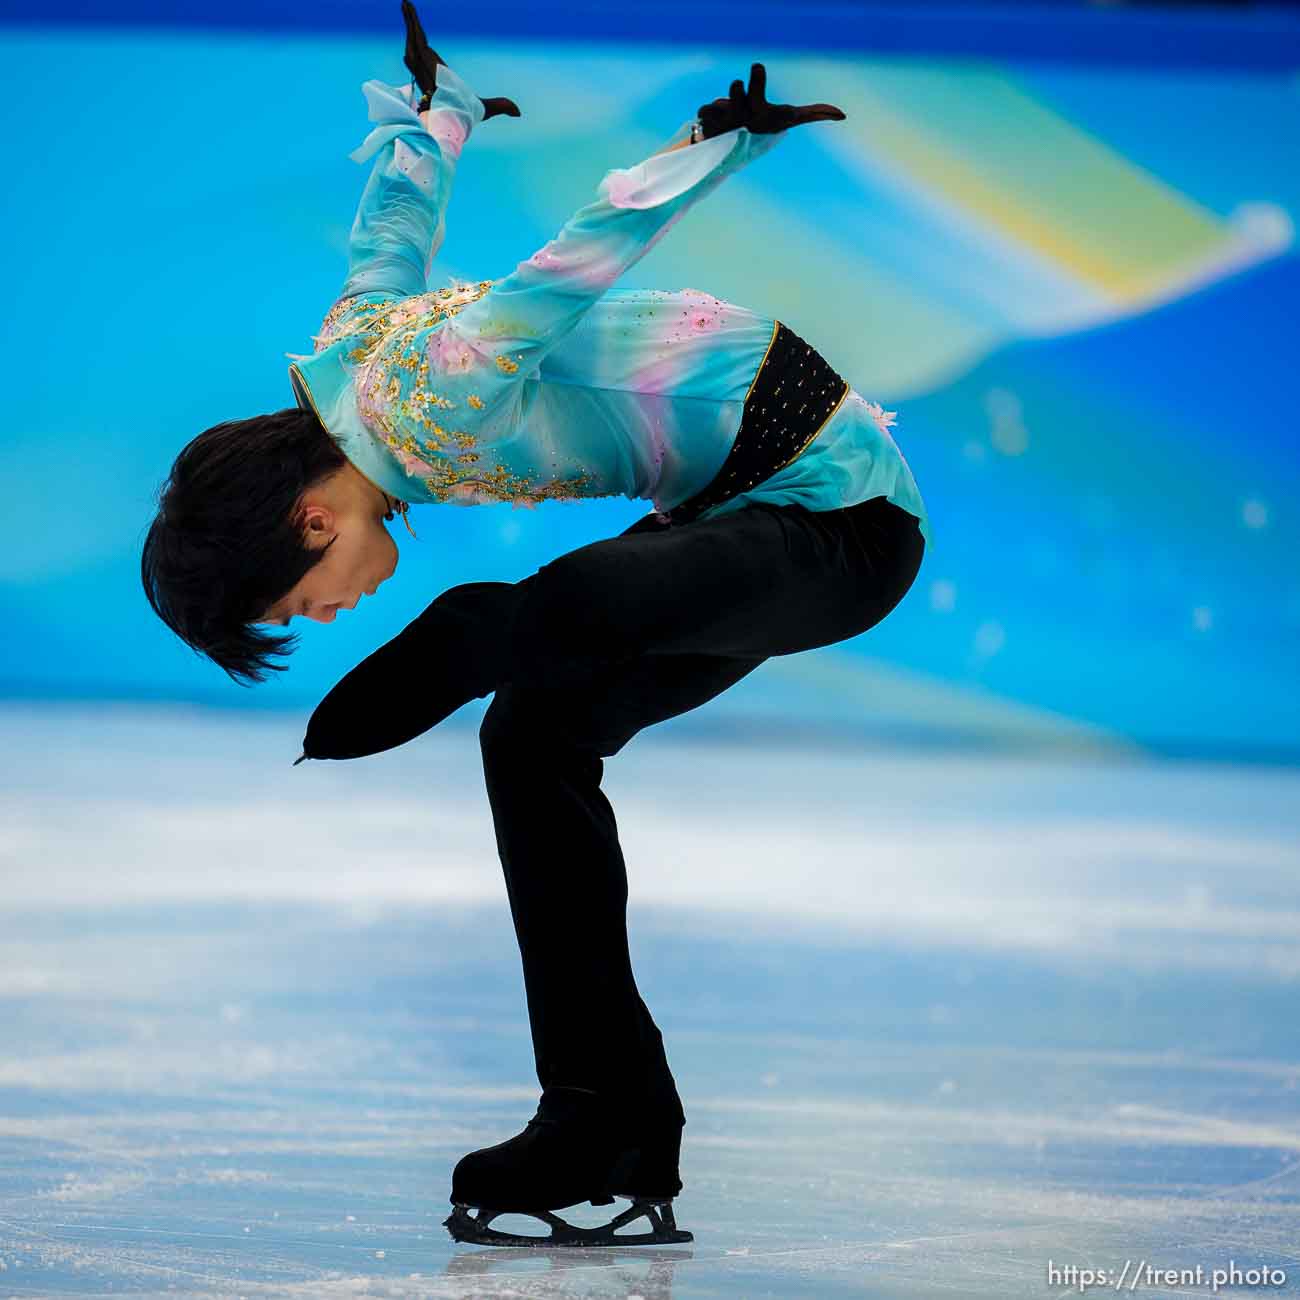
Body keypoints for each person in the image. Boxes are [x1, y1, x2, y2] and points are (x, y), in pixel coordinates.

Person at [141, 1, 932, 1248]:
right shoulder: (359, 352)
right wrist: (436, 120)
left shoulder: (438, 382)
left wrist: (718, 140)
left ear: (304, 521)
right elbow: (390, 233)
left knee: (564, 613)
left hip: (838, 522)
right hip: (715, 524)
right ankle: (601, 1114)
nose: (336, 606)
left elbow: (578, 256)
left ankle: (470, 635)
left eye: (307, 599)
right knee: (530, 734)